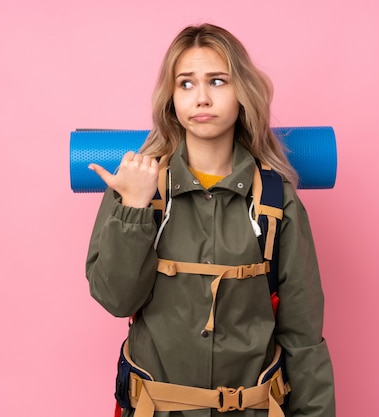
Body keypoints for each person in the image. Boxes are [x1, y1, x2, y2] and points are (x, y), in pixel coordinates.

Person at [86, 23, 335, 417]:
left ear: (242, 94)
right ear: (171, 99)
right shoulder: (135, 189)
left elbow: (303, 338)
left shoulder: (277, 203)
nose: (201, 98)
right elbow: (116, 301)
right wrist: (133, 208)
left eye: (217, 81)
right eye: (186, 84)